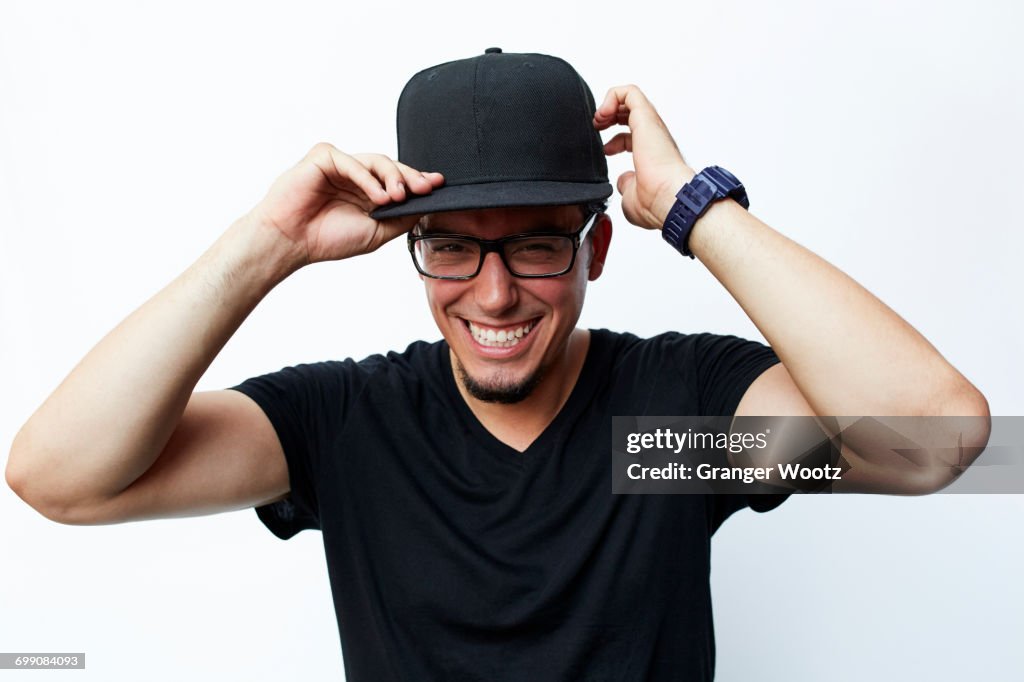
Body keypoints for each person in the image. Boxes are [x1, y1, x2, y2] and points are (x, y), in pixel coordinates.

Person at [5, 48, 990, 680]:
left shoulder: (665, 436)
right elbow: (59, 478)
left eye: (534, 244)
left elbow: (935, 442)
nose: (493, 293)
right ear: (413, 253)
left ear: (596, 249)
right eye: (451, 247)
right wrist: (264, 244)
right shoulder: (351, 426)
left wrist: (695, 206)